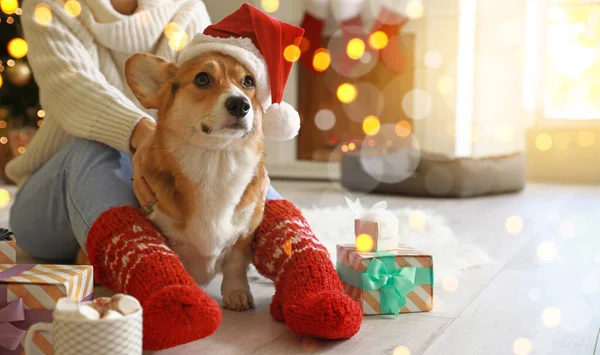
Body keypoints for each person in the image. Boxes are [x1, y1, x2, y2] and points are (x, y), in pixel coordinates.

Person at [6, 0, 362, 351]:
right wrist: (144, 134)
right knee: (93, 146)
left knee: (238, 158)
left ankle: (306, 271)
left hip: (156, 176)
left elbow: (213, 114)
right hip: (58, 197)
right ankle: (158, 285)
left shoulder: (185, 8)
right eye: (204, 78)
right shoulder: (52, 5)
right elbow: (70, 90)